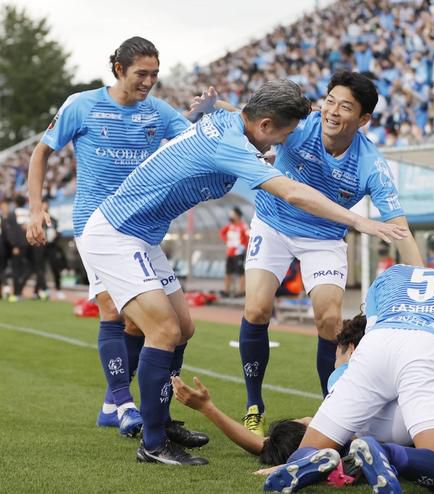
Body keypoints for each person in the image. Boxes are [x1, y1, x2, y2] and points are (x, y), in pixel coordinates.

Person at [76, 79, 407, 465]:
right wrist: (358, 221)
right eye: (281, 136)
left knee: (183, 328)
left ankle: (161, 420)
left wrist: (216, 107)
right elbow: (293, 192)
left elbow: (206, 133)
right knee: (163, 331)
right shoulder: (233, 145)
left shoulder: (228, 127)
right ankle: (153, 443)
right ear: (265, 125)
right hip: (116, 234)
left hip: (142, 236)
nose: (279, 145)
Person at [25, 37, 203, 441]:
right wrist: (37, 208)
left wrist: (216, 117)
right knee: (113, 311)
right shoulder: (81, 104)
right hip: (96, 226)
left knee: (176, 326)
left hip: (142, 228)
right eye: (142, 73)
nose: (149, 82)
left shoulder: (158, 112)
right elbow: (41, 153)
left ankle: (115, 404)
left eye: (155, 74)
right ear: (118, 69)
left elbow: (197, 143)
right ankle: (125, 405)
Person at [238, 71, 423, 436]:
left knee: (329, 319)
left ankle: (331, 408)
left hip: (323, 238)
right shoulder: (301, 125)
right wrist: (218, 108)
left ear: (364, 119)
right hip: (272, 223)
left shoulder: (371, 164)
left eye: (346, 107)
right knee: (257, 309)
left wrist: (424, 277)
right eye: (331, 101)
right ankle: (253, 405)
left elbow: (399, 227)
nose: (333, 111)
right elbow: (253, 119)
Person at [263, 265, 434, 493]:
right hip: (427, 346)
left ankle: (309, 460)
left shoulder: (388, 276)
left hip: (376, 344)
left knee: (309, 450)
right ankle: (388, 454)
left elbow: (371, 329)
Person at [219, 206, 250, 297]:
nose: (231, 216)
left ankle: (241, 291)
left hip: (239, 253)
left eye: (233, 214)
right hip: (230, 253)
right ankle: (226, 290)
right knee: (228, 272)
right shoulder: (230, 226)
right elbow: (221, 233)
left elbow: (248, 236)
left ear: (237, 215)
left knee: (240, 272)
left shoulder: (243, 226)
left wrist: (243, 246)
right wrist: (227, 241)